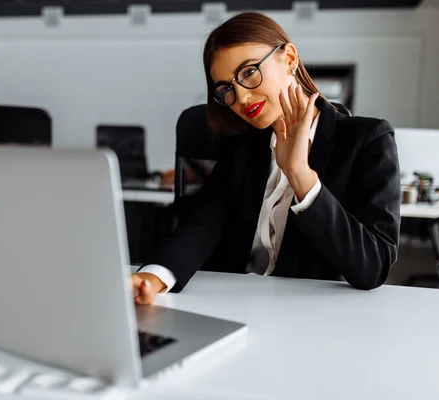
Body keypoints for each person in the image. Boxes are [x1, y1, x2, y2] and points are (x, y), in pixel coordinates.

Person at [131, 11, 401, 305]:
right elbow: (202, 226)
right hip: (235, 305)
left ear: (290, 59)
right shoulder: (242, 145)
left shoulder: (368, 140)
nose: (242, 98)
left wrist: (300, 175)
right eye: (226, 89)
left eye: (248, 73)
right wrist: (153, 278)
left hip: (312, 319)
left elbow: (373, 266)